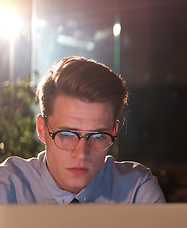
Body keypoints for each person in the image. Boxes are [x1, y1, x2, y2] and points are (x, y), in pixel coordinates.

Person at [0, 56, 165, 204]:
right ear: (41, 128)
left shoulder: (136, 192)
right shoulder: (6, 188)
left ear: (113, 132)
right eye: (66, 135)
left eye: (98, 136)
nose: (81, 154)